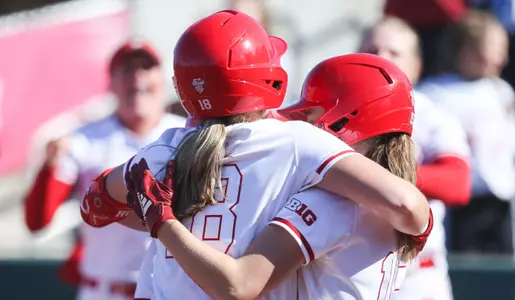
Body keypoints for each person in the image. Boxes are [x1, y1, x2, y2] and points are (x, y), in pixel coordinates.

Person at [80, 10, 431, 299]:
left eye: (310, 111)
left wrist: (162, 219)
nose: (302, 115)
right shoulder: (301, 148)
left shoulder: (166, 147)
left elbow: (94, 207)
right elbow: (409, 208)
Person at [23, 39, 186, 300]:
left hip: (167, 289)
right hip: (103, 290)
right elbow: (37, 221)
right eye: (127, 70)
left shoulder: (186, 136)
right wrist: (49, 167)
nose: (137, 78)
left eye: (146, 67)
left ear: (163, 77)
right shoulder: (83, 139)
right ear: (111, 82)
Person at [358, 17, 471, 300]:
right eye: (372, 49)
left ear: (416, 66)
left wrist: (377, 175)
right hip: (352, 268)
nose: (381, 58)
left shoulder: (432, 114)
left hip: (416, 274)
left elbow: (457, 183)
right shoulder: (334, 110)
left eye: (394, 52)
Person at [418, 10, 515, 253]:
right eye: (496, 47)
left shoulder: (502, 91)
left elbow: (511, 149)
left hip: (502, 202)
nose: (504, 57)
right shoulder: (433, 92)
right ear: (467, 49)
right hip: (461, 203)